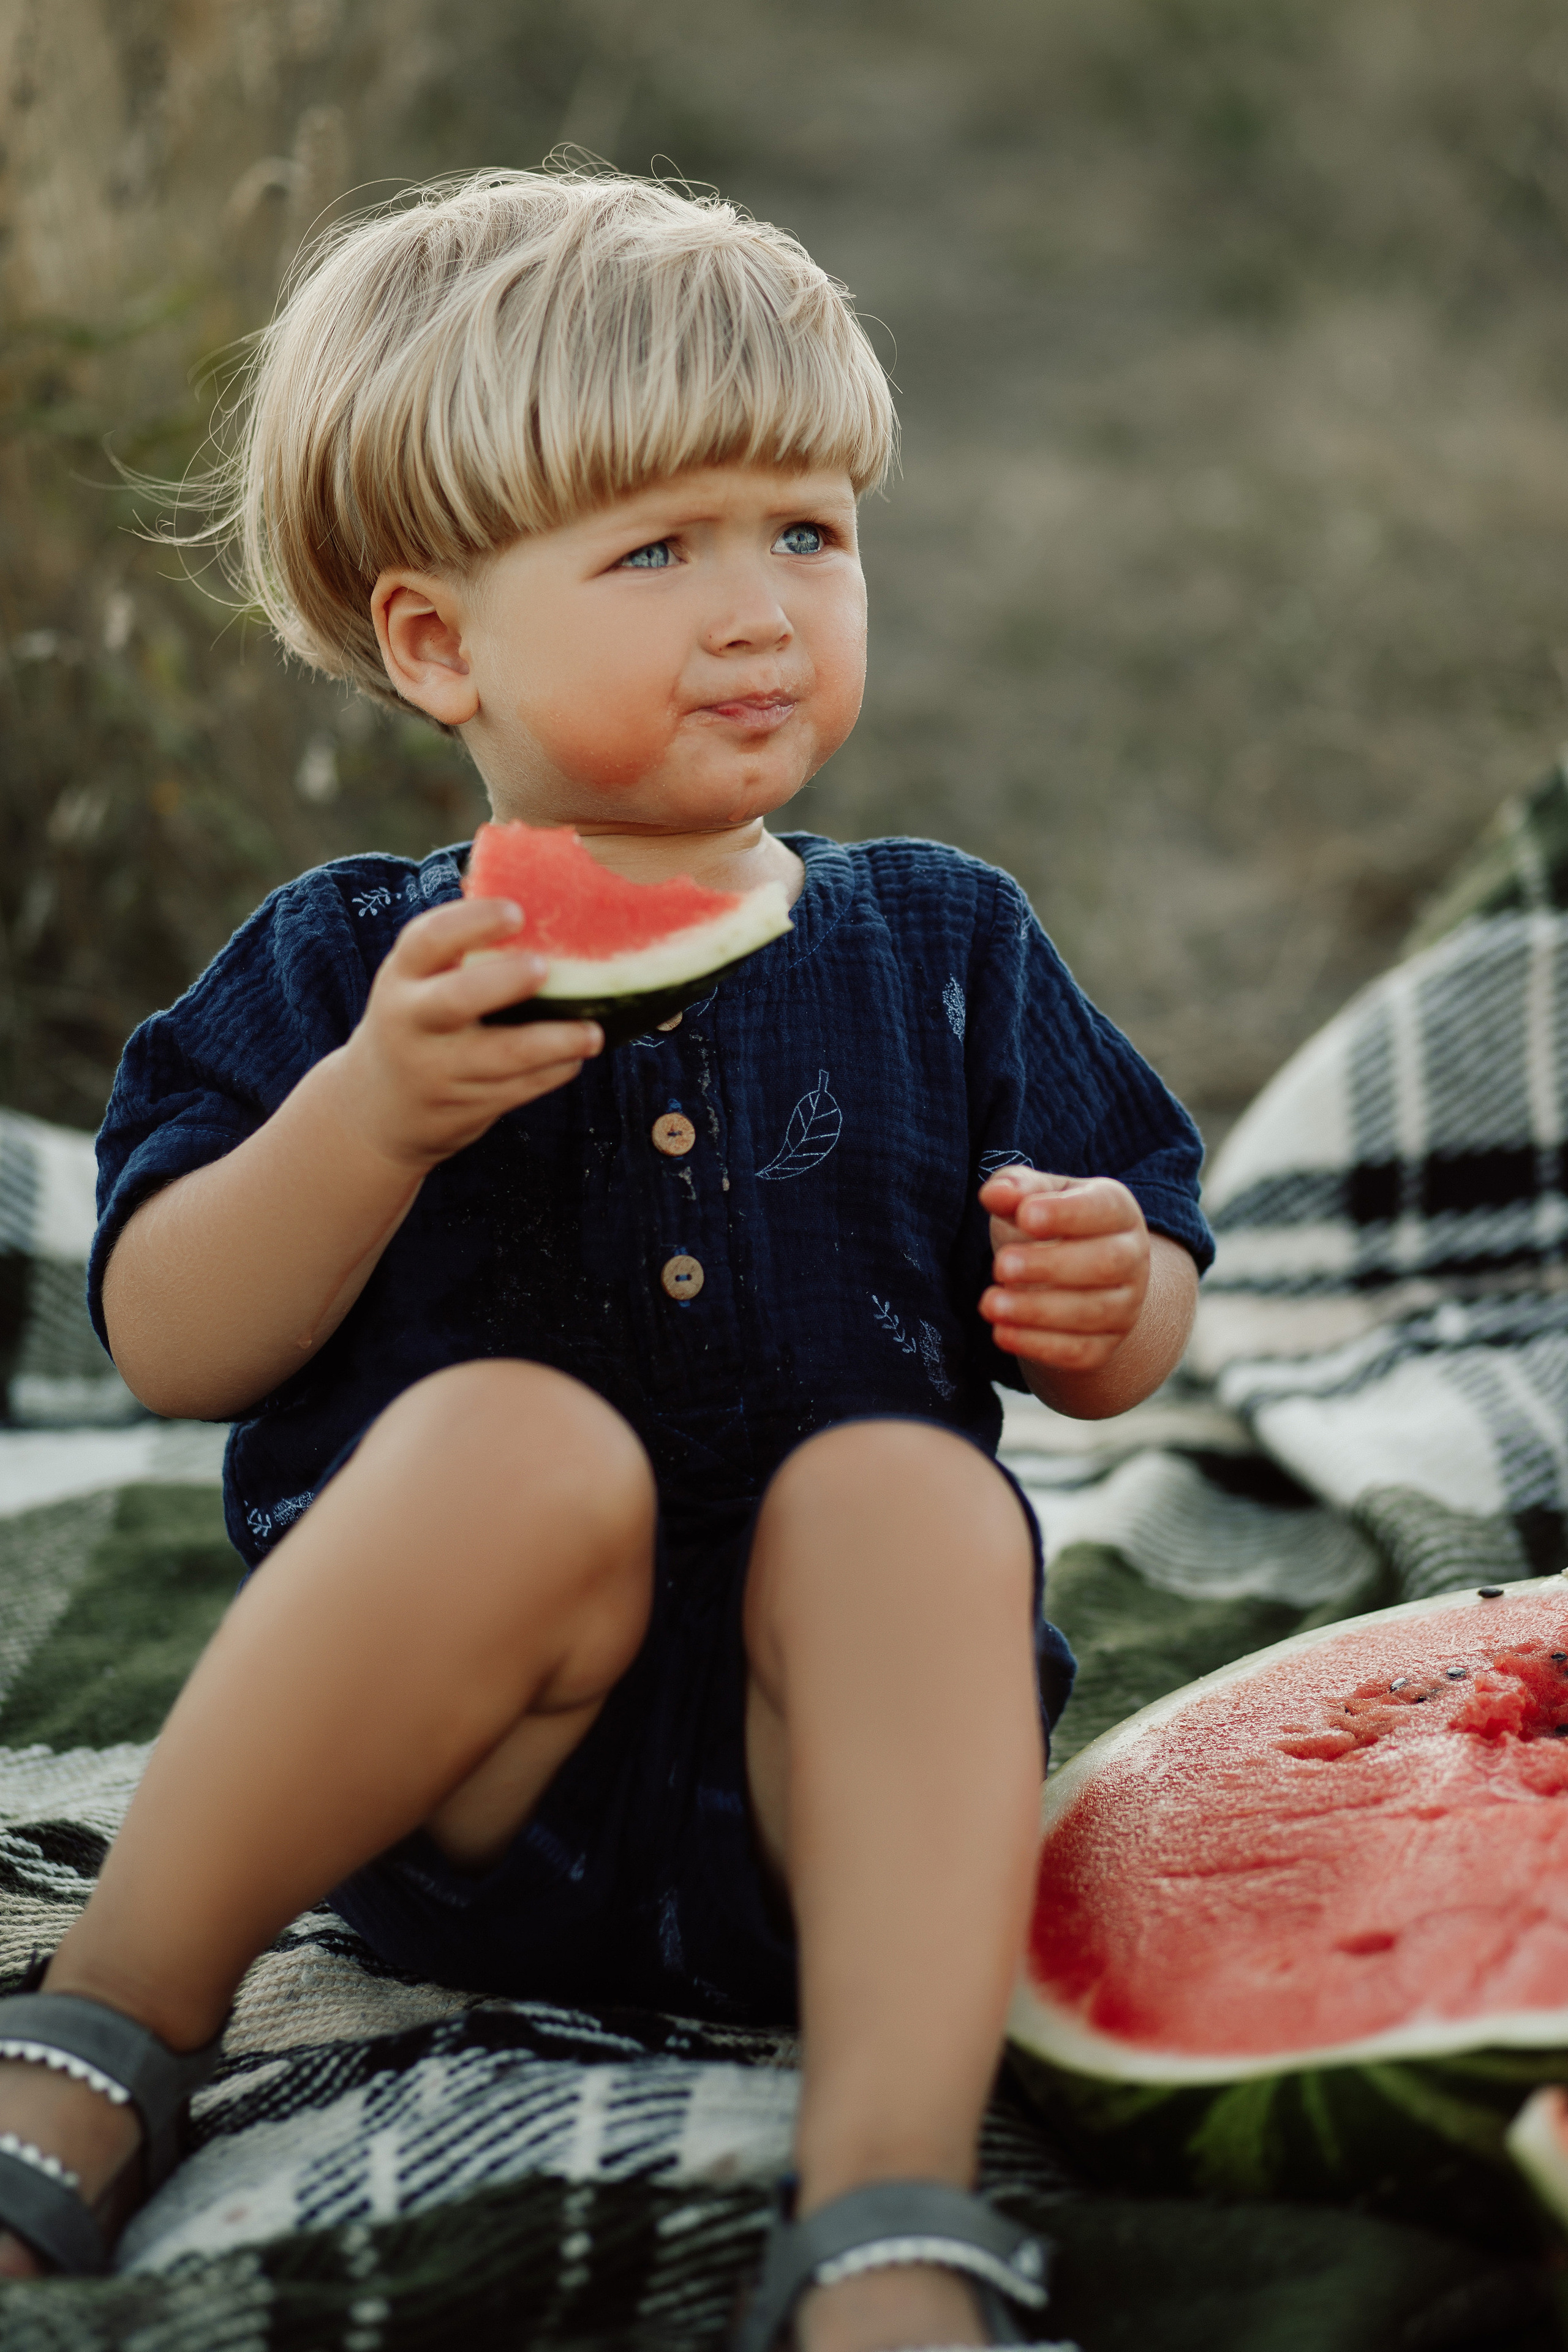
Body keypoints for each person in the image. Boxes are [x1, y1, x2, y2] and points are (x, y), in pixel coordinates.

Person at [0, 170, 1210, 2349]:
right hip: (459, 1789)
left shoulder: (947, 940)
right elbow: (170, 1337)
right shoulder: (346, 970)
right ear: (435, 642)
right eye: (658, 551)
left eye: (807, 532)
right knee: (512, 1448)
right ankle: (106, 2028)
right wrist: (366, 1119)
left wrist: (1115, 1301)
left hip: (832, 1820)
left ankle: (891, 2205)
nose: (759, 612)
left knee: (913, 1493)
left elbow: (1139, 1287)